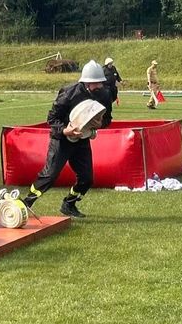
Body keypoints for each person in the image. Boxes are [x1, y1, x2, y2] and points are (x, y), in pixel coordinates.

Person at [20, 61, 114, 218]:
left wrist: (100, 124)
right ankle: (25, 204)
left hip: (82, 140)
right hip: (61, 140)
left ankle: (69, 204)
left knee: (86, 179)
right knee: (50, 175)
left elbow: (107, 119)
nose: (98, 86)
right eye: (95, 83)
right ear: (86, 82)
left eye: (100, 82)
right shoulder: (69, 94)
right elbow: (52, 118)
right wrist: (65, 130)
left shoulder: (104, 95)